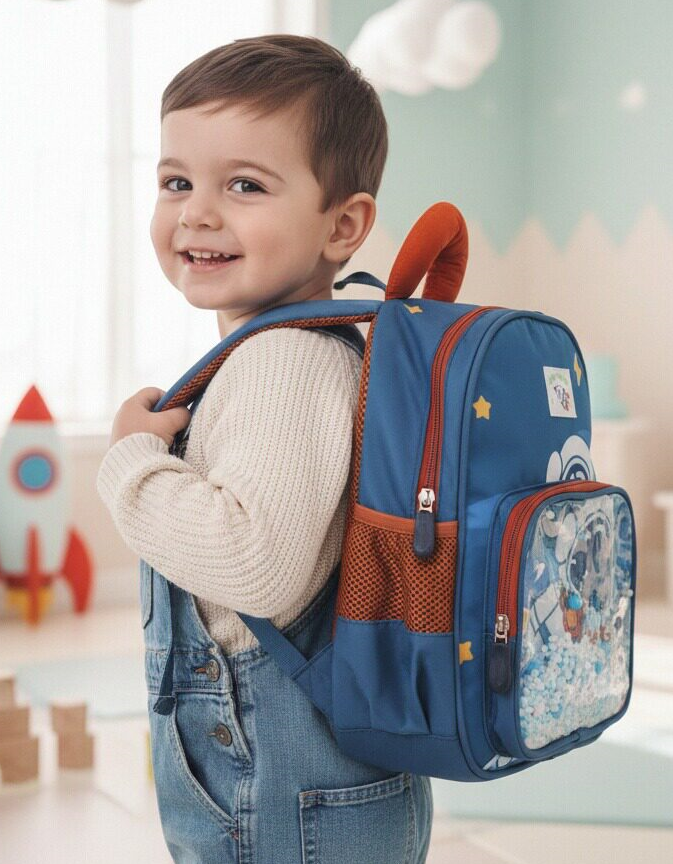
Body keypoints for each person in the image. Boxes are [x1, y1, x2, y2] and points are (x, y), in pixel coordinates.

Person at [96, 34, 433, 864]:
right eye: (177, 182)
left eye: (244, 185)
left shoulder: (284, 360)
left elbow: (254, 564)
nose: (197, 212)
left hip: (283, 795)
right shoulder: (300, 347)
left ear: (342, 225)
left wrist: (131, 464)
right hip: (317, 786)